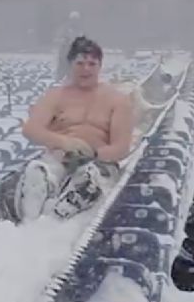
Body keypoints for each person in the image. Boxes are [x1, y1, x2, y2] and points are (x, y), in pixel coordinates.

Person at [15, 36, 135, 221]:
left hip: (99, 164)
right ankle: (30, 221)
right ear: (70, 65)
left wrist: (93, 154)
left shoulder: (117, 100)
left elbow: (121, 147)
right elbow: (31, 129)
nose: (85, 69)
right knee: (37, 172)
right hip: (59, 159)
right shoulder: (55, 95)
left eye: (91, 63)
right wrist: (65, 142)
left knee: (90, 178)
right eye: (80, 63)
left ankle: (55, 219)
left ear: (100, 66)